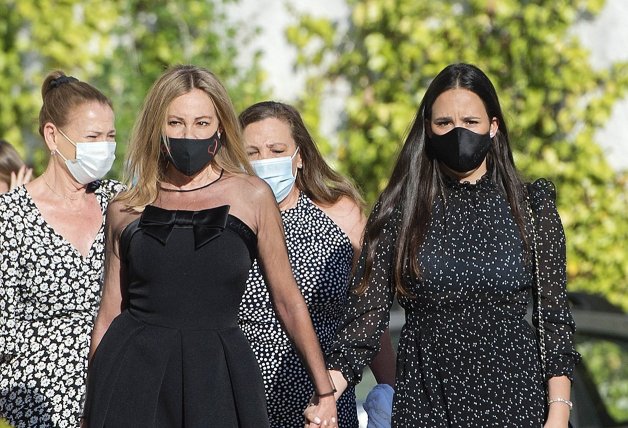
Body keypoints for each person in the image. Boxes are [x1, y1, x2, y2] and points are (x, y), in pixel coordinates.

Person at [306, 63, 580, 427]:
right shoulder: (399, 211)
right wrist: (327, 397)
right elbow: (365, 321)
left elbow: (554, 321)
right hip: (427, 402)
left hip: (516, 403)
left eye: (471, 122)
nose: (458, 132)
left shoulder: (531, 207)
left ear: (493, 127)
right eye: (444, 124)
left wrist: (558, 414)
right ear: (428, 130)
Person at [83, 65, 337, 428]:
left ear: (220, 126)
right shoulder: (125, 207)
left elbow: (287, 299)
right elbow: (109, 314)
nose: (189, 135)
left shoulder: (251, 196)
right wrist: (93, 408)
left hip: (220, 376)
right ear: (157, 126)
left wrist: (324, 392)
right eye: (176, 123)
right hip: (132, 378)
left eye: (201, 123)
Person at [237, 101, 396, 428]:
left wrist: (392, 394)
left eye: (276, 149)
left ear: (300, 156)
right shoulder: (228, 224)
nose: (265, 160)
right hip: (243, 403)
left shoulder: (341, 215)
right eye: (252, 153)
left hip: (324, 407)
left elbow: (367, 315)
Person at [0, 71, 122, 427]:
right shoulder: (9, 216)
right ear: (53, 136)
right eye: (93, 137)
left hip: (119, 385)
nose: (104, 146)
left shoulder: (122, 201)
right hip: (41, 401)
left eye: (110, 136)